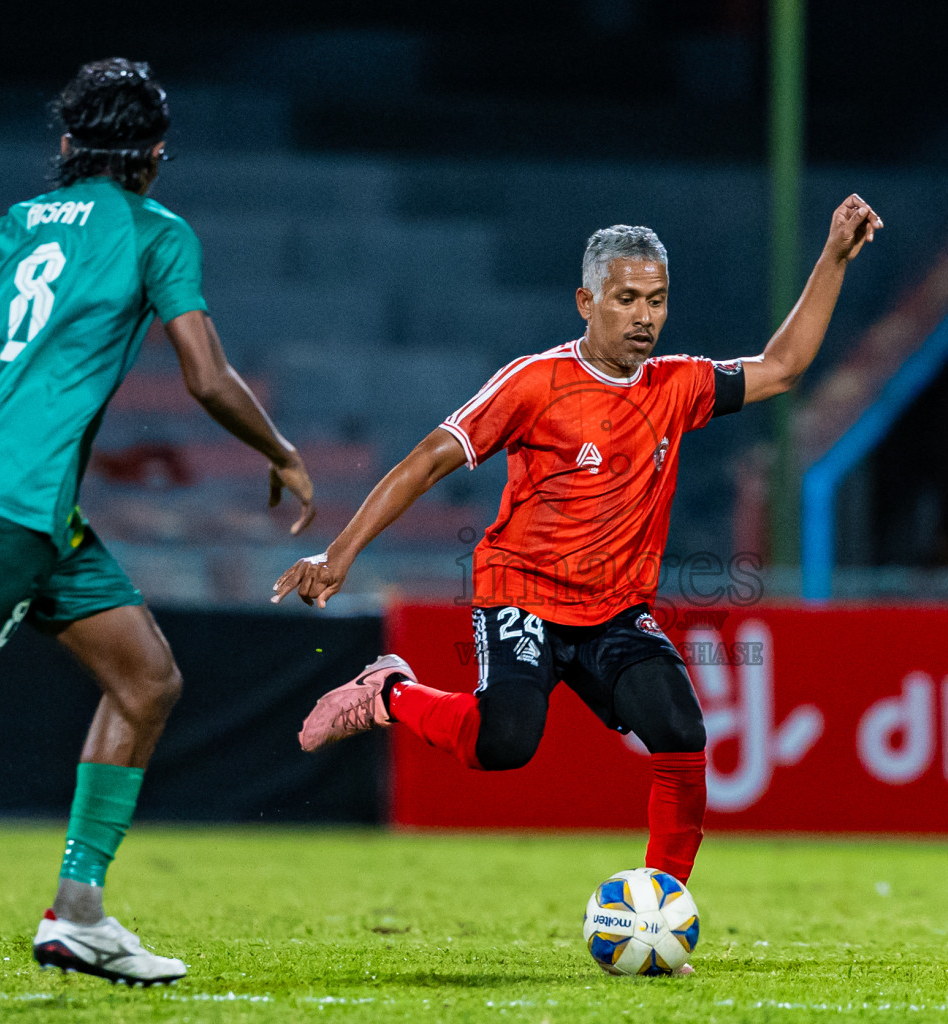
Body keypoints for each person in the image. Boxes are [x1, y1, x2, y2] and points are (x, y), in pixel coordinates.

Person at [273, 195, 880, 966]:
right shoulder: (535, 383)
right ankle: (390, 691)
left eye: (656, 301)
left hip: (616, 612)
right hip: (520, 593)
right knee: (506, 745)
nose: (644, 317)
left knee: (682, 732)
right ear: (586, 301)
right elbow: (430, 457)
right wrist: (342, 552)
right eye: (626, 299)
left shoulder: (677, 385)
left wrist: (831, 256)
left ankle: (657, 911)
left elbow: (785, 368)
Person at [0, 58, 315, 986]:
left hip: (27, 514)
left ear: (64, 145)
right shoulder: (155, 233)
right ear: (154, 156)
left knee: (146, 681)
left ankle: (79, 915)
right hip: (6, 519)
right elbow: (209, 377)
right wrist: (284, 453)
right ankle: (79, 911)